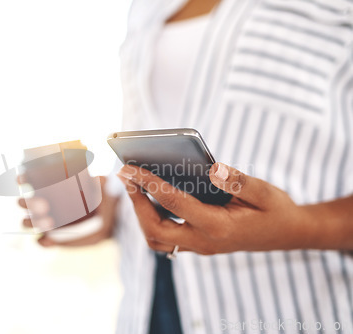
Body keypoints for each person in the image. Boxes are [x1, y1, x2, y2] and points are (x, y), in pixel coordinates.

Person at [19, 0, 353, 333]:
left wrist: (299, 226)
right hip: (148, 306)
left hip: (291, 308)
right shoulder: (145, 8)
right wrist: (110, 208)